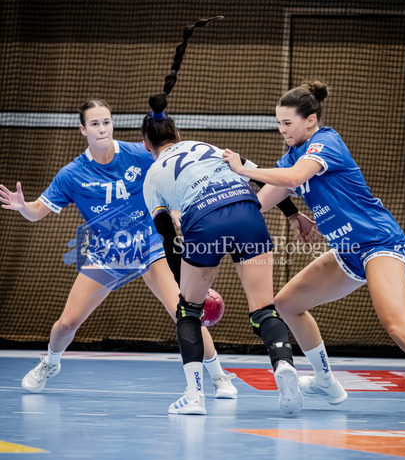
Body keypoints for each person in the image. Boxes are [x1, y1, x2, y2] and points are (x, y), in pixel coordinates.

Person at [0, 99, 238, 400]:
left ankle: (218, 376)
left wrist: (176, 207)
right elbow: (37, 211)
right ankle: (50, 362)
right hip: (106, 255)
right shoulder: (72, 174)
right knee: (67, 323)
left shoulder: (139, 154)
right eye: (95, 124)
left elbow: (173, 171)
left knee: (183, 313)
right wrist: (23, 207)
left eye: (106, 122)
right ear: (83, 129)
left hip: (150, 249)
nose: (102, 129)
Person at [223, 80, 405, 405]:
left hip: (378, 243)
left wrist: (243, 168)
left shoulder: (325, 141)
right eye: (279, 123)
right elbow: (260, 203)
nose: (282, 130)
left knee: (397, 327)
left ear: (310, 120)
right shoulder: (290, 157)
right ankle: (325, 381)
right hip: (347, 253)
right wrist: (216, 204)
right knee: (287, 305)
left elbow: (293, 178)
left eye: (287, 123)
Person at [142, 17, 306, 416]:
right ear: (178, 134)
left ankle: (194, 396)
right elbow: (256, 174)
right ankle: (284, 365)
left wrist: (186, 284)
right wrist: (292, 213)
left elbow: (167, 236)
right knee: (264, 308)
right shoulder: (207, 147)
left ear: (147, 145)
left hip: (205, 221)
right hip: (248, 213)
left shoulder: (153, 177)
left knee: (188, 312)